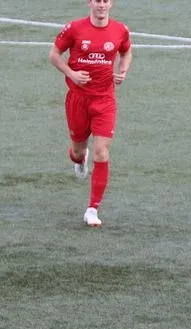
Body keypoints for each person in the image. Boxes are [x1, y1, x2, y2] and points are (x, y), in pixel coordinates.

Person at [49, 0, 133, 228]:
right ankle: (79, 158)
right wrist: (72, 74)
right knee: (78, 150)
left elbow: (126, 52)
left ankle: (92, 209)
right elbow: (54, 54)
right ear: (90, 2)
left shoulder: (120, 30)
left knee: (102, 152)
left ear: (111, 3)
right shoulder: (74, 28)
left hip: (105, 100)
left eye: (105, 1)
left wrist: (122, 72)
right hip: (77, 99)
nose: (101, 5)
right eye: (97, 0)